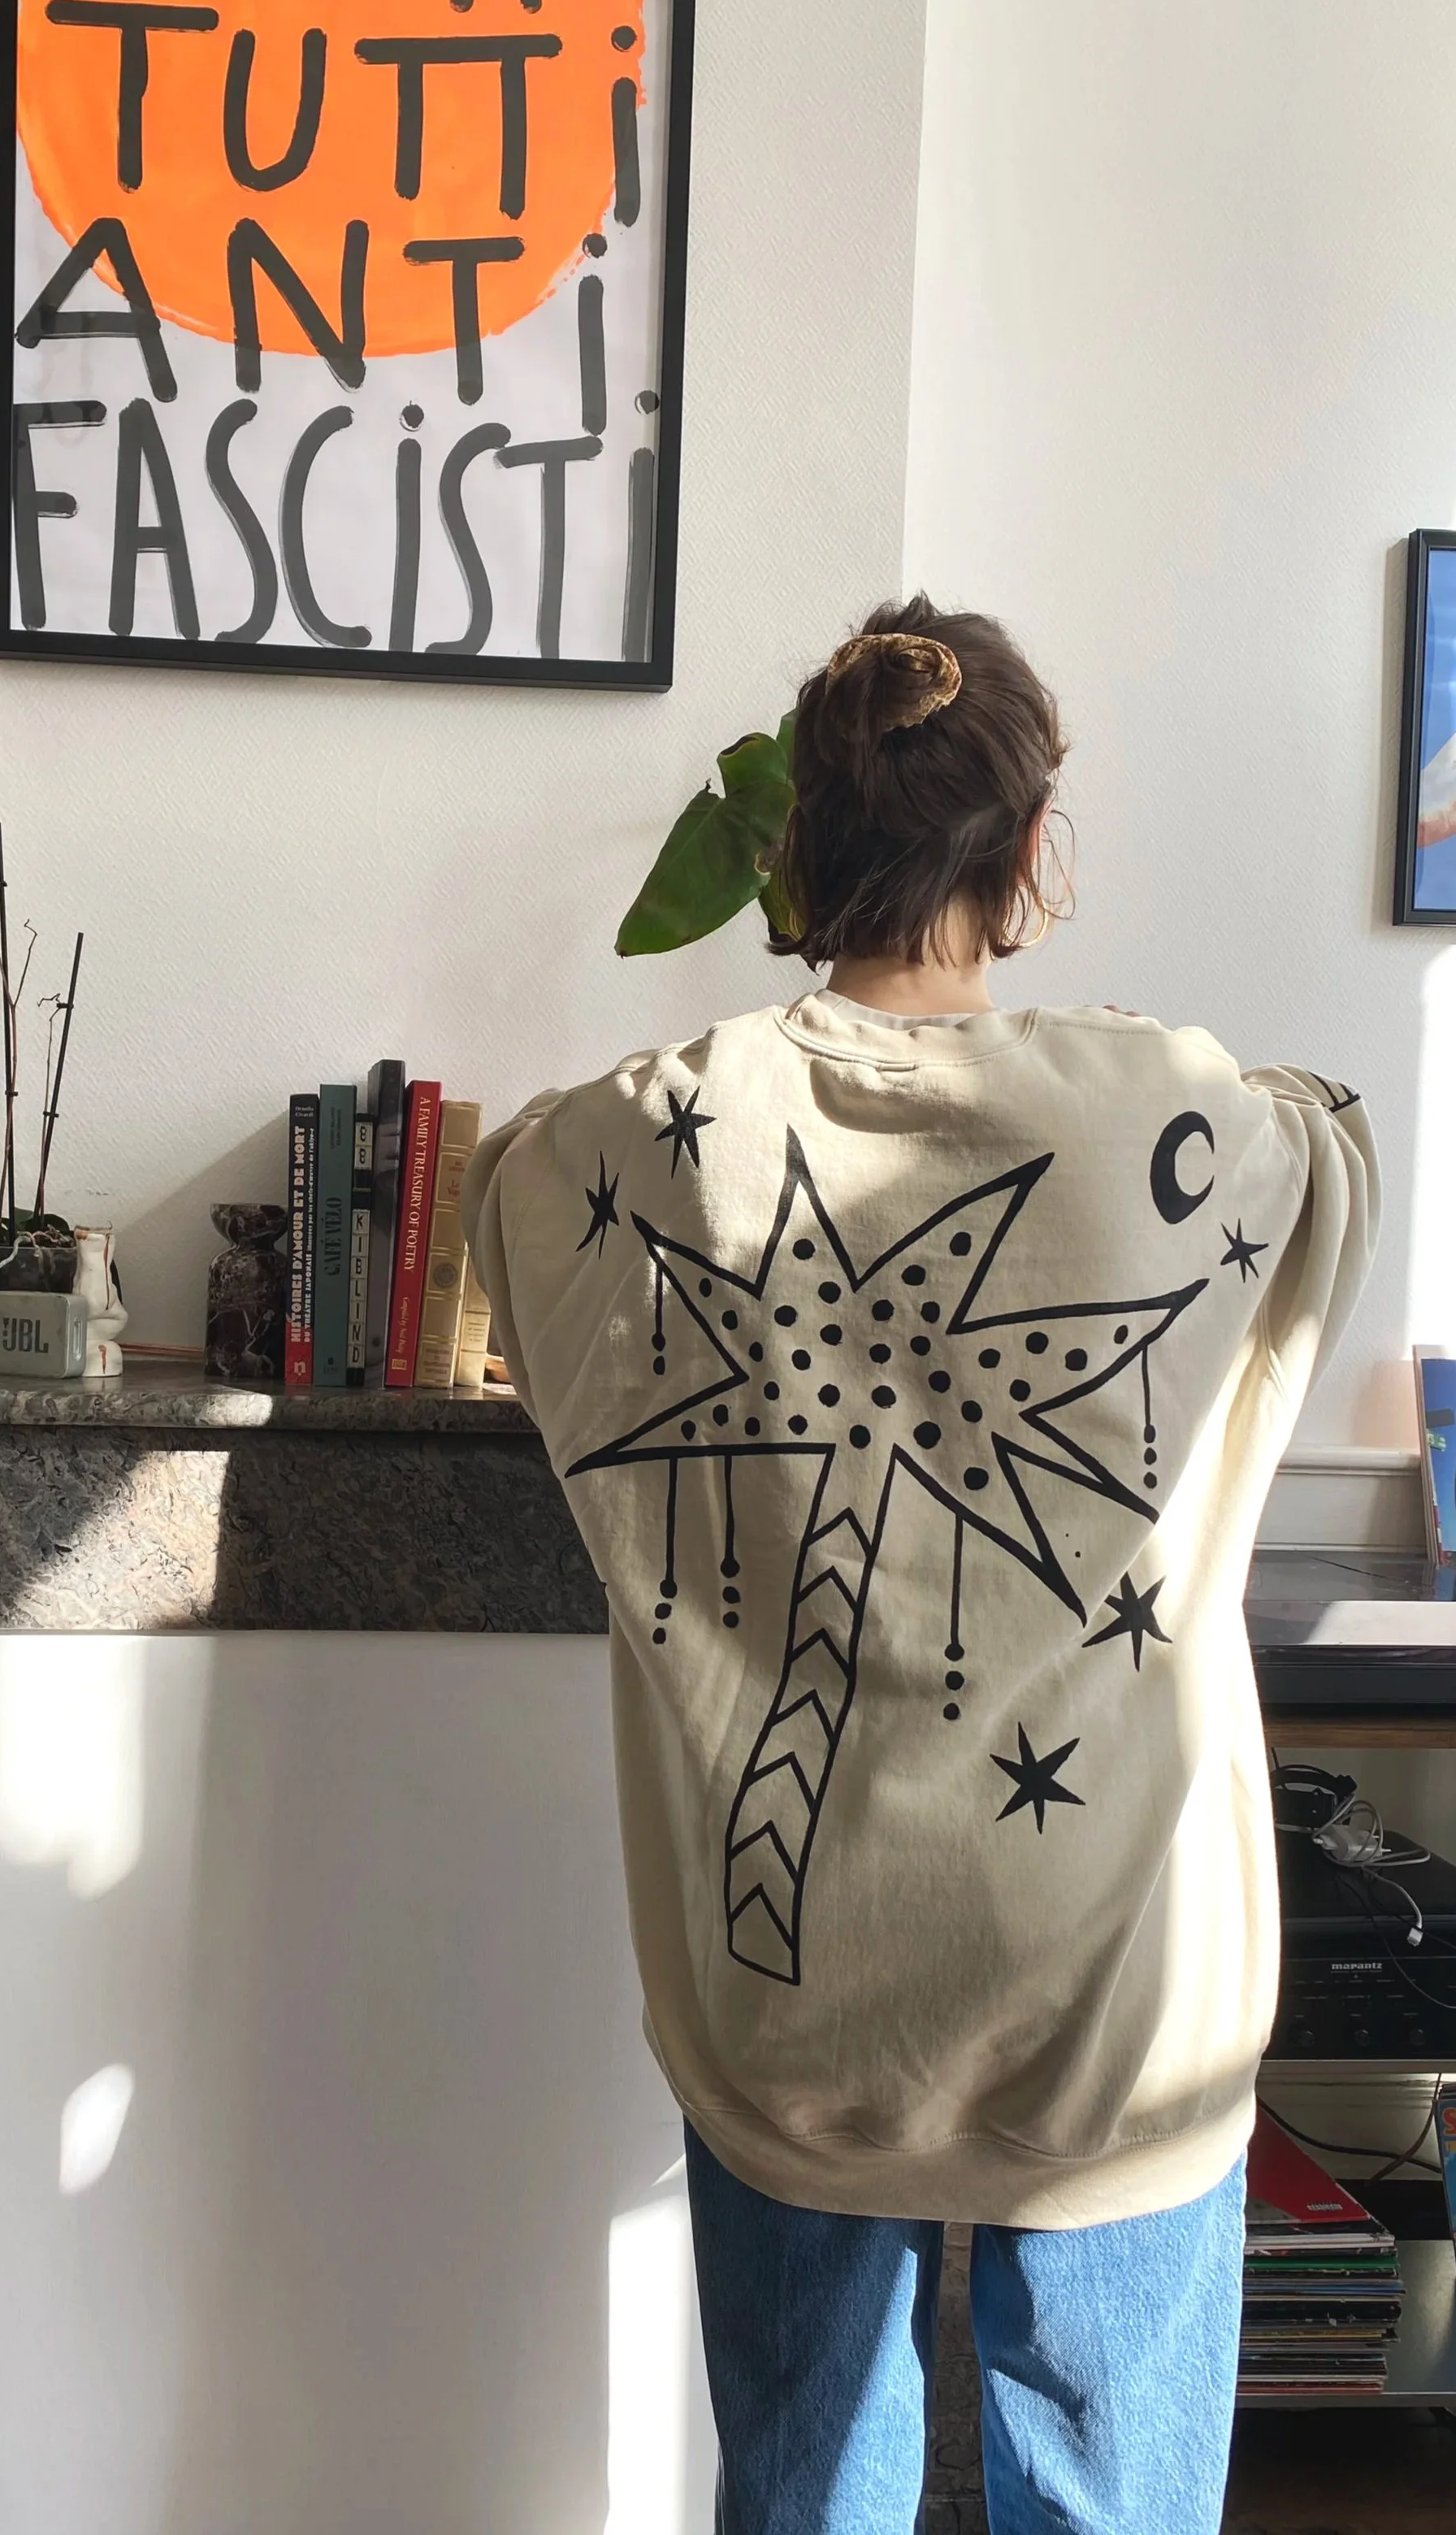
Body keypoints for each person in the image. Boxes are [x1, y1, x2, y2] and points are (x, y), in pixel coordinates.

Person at [462, 598, 1378, 2535]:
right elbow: (1332, 1145)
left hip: (798, 2001)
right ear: (1031, 852)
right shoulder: (1178, 1110)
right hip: (1122, 1992)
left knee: (805, 2501)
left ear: (791, 853)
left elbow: (509, 1180)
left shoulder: (651, 1137)